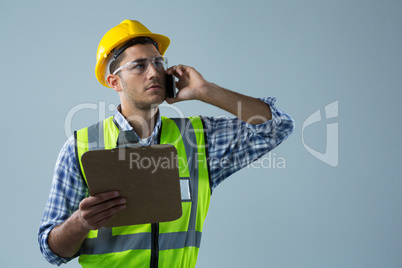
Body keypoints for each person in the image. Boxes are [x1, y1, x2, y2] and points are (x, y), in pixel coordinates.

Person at [38, 20, 295, 267]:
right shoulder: (81, 147)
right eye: (139, 65)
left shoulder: (199, 139)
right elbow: (52, 251)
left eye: (158, 62)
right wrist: (81, 222)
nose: (154, 72)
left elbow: (277, 126)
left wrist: (206, 91)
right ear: (114, 82)